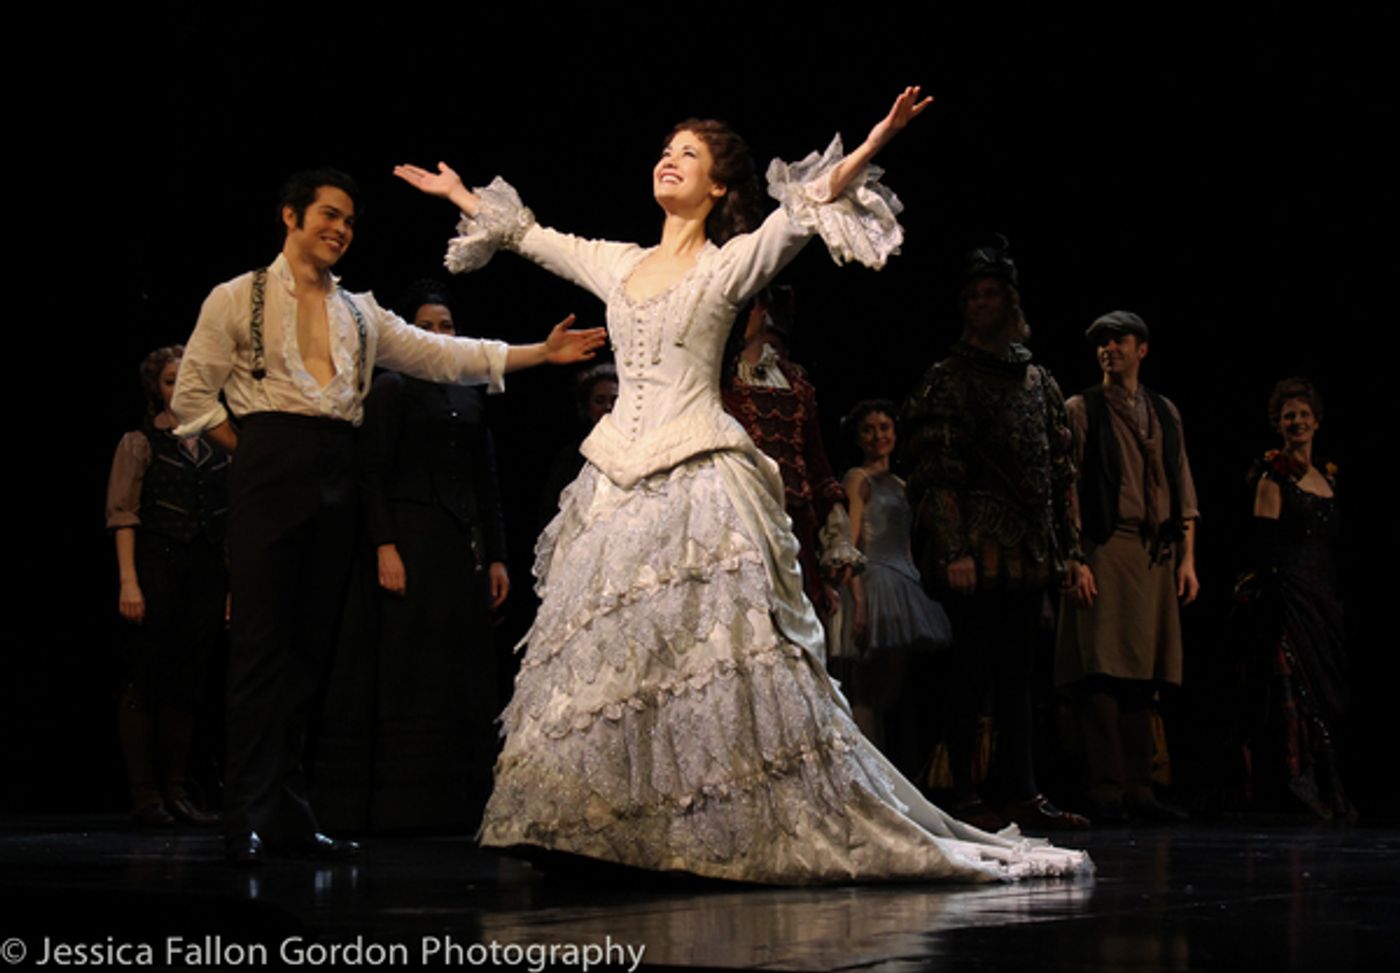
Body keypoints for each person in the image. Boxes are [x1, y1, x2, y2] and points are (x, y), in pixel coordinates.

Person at [396, 88, 1090, 883]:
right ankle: (593, 822)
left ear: (718, 186)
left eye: (689, 154)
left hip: (696, 475)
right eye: (666, 147)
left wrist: (869, 142)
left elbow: (802, 212)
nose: (669, 159)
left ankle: (701, 822)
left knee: (706, 661)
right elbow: (528, 234)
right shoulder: (619, 263)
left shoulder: (729, 265)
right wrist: (458, 196)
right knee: (615, 661)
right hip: (617, 478)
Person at [171, 168, 605, 865]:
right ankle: (244, 812)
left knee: (312, 652)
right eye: (328, 215)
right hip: (269, 466)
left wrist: (538, 353)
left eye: (349, 220)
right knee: (259, 648)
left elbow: (443, 355)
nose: (340, 229)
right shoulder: (236, 298)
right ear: (291, 216)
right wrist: (251, 454)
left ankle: (286, 810)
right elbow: (192, 398)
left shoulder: (360, 313)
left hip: (337, 471)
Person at [902, 237, 1089, 834]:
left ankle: (1022, 791)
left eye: (992, 295)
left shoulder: (1039, 381)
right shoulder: (949, 379)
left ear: (1011, 304)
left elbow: (1059, 473)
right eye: (974, 296)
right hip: (976, 551)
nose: (981, 304)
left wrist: (1072, 552)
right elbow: (935, 471)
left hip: (1030, 551)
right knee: (971, 673)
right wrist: (954, 548)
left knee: (1019, 677)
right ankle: (963, 791)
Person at [314, 280, 512, 833]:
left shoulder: (471, 392)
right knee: (407, 664)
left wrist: (496, 556)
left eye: (446, 327)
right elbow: (370, 473)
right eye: (426, 326)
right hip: (406, 538)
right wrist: (384, 545)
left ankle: (457, 802)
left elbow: (484, 482)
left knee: (456, 667)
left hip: (456, 546)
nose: (438, 335)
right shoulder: (393, 387)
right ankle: (398, 806)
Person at [1055, 311, 1199, 823]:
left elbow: (1183, 488)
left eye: (1119, 341)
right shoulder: (1082, 408)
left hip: (1154, 553)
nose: (1108, 349)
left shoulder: (1163, 411)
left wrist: (1188, 559)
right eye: (1101, 343)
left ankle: (1142, 788)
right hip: (1105, 545)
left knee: (1145, 674)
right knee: (1102, 671)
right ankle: (1107, 789)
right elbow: (1066, 487)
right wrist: (1075, 557)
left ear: (1142, 349)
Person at [106, 345, 228, 828]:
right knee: (146, 678)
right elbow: (123, 516)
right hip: (157, 566)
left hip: (205, 572)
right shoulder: (140, 443)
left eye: (190, 378)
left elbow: (230, 522)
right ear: (156, 390)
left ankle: (177, 791)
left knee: (188, 682)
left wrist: (230, 587)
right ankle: (145, 794)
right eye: (171, 380)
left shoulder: (222, 444)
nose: (180, 388)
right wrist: (129, 582)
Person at [1238, 378, 1352, 820]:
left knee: (1328, 694)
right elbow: (1263, 545)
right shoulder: (1273, 478)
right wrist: (1271, 602)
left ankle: (1330, 785)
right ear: (1278, 425)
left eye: (1304, 414)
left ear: (1317, 422)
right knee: (1294, 693)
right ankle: (1296, 789)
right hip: (1290, 597)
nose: (1297, 421)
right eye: (1289, 416)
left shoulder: (1328, 476)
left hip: (1324, 596)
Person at [721, 285, 860, 623]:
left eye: (749, 306)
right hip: (736, 524)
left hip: (795, 529)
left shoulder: (794, 381)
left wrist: (836, 535)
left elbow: (816, 461)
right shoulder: (716, 379)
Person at [832, 400, 950, 776]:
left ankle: (890, 776)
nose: (878, 435)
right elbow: (850, 544)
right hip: (872, 583)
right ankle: (869, 776)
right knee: (865, 691)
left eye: (885, 427)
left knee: (890, 694)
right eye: (869, 429)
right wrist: (858, 599)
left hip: (903, 584)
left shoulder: (902, 485)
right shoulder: (857, 479)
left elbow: (907, 544)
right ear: (858, 438)